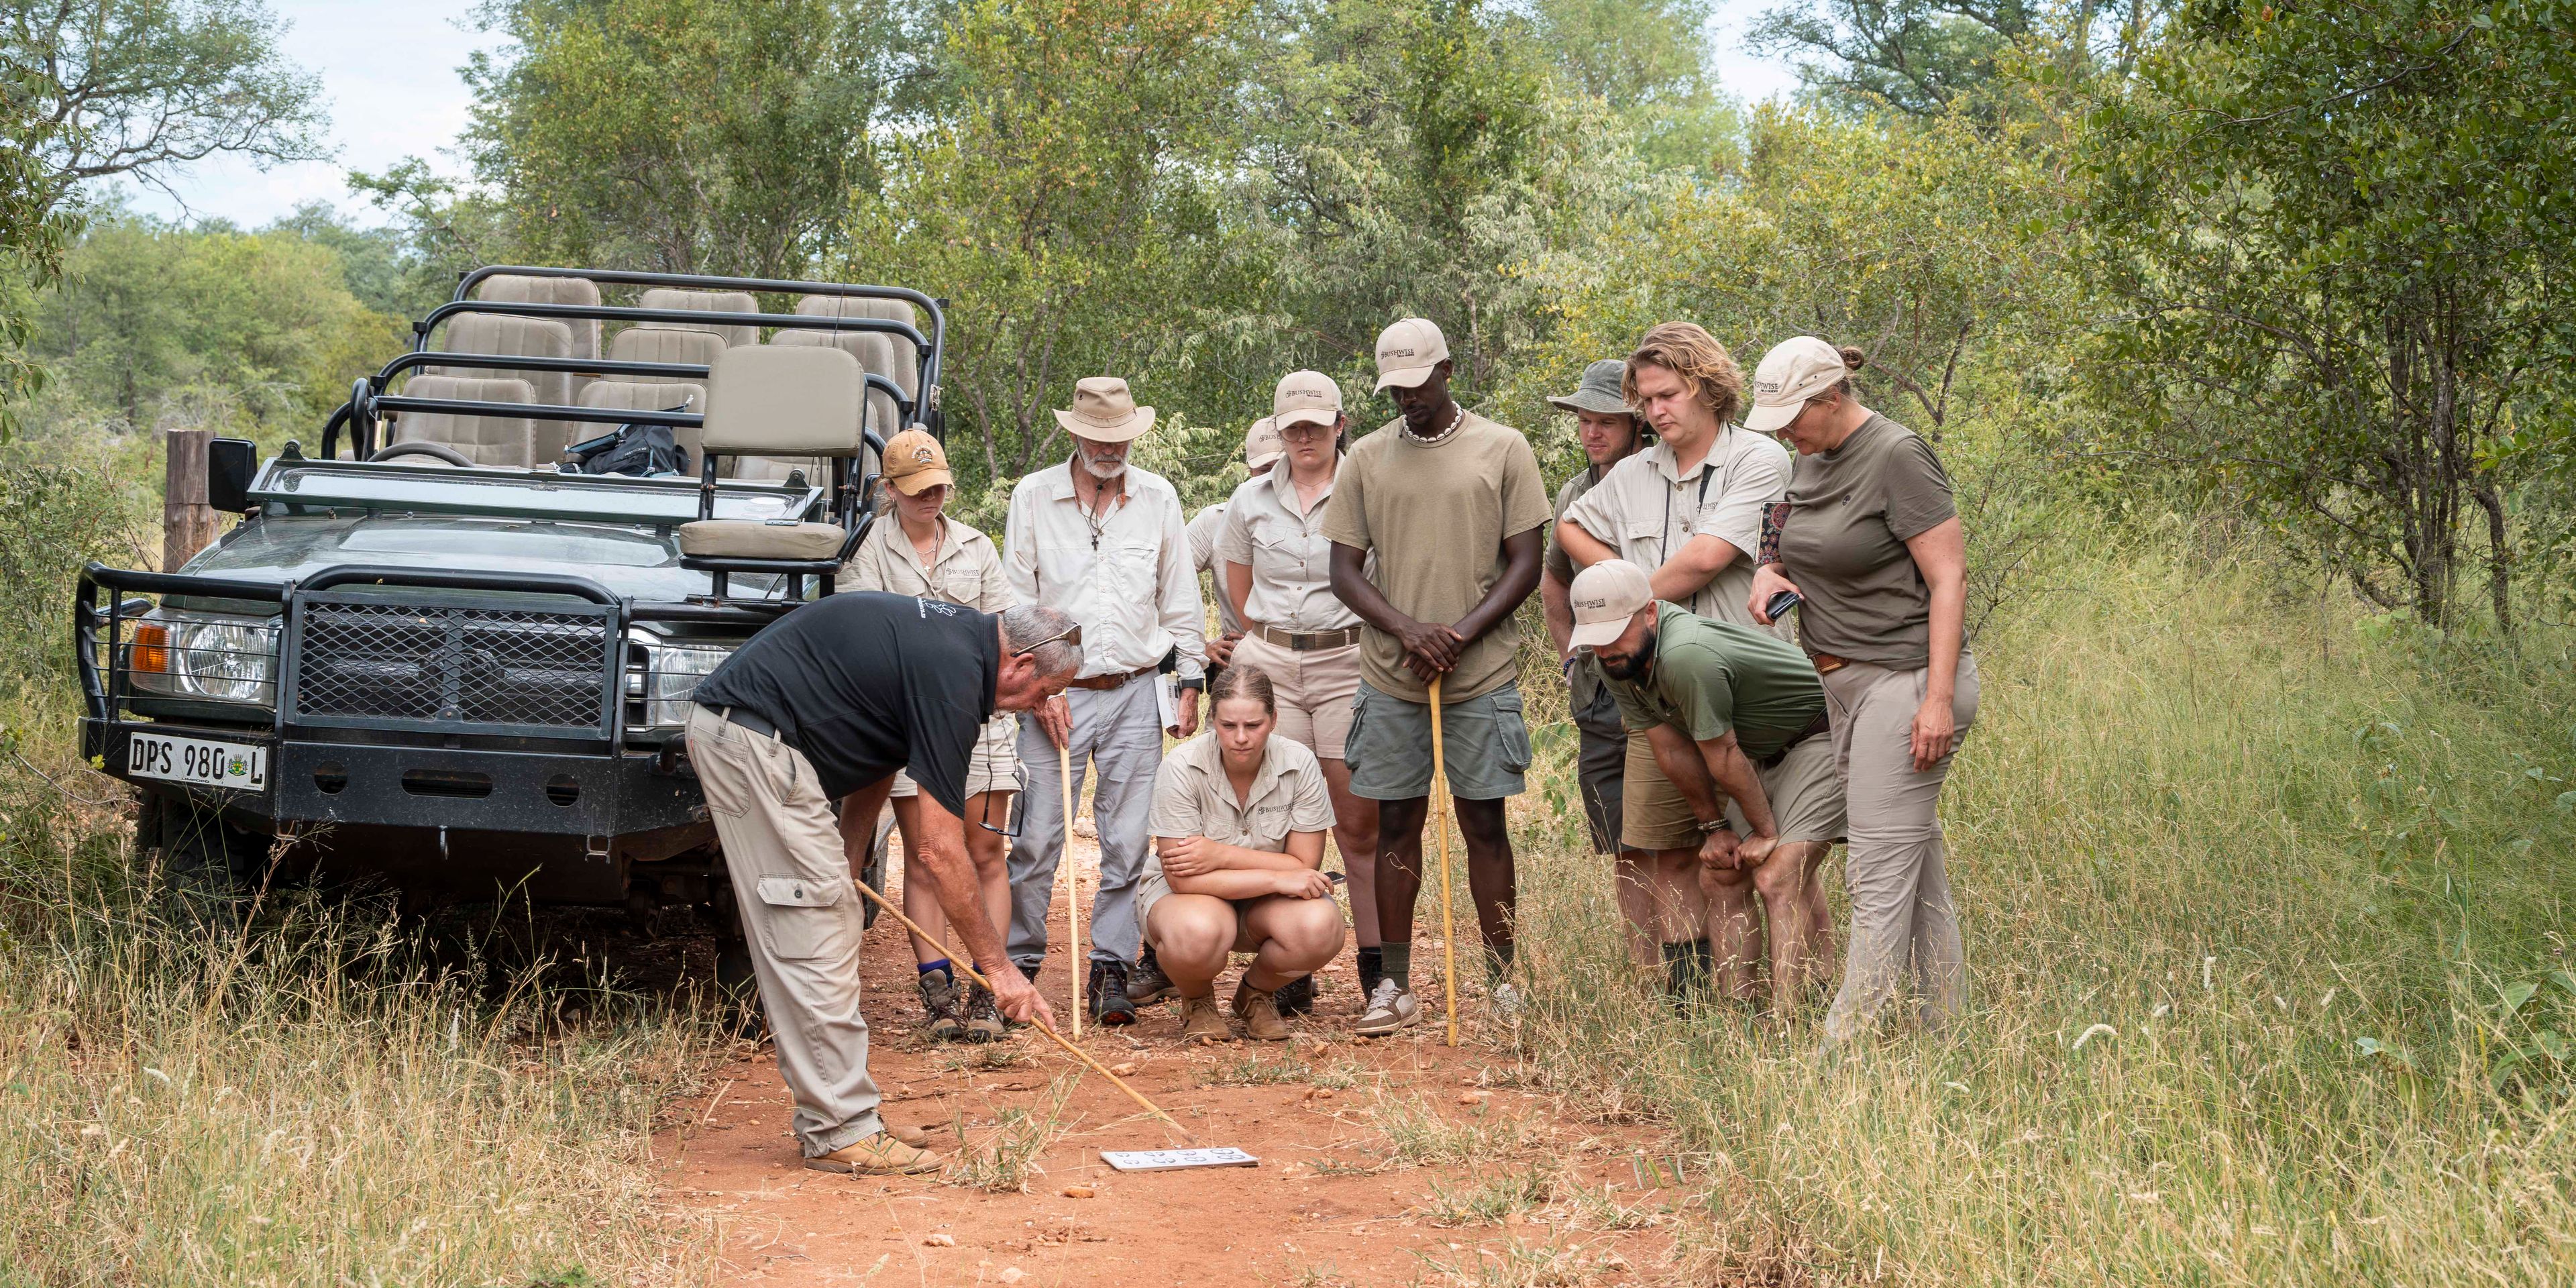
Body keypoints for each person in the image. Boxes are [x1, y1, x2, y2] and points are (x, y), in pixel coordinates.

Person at [686, 594, 1077, 1175]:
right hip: (753, 743)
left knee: (832, 912)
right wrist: (998, 968)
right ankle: (839, 1129)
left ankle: (845, 1114)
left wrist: (847, 857)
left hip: (762, 741)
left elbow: (879, 748)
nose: (1036, 707)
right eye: (1043, 693)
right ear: (1019, 664)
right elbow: (941, 850)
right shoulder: (953, 674)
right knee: (813, 929)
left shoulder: (957, 649)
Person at [1742, 337, 1977, 1055]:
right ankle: (1949, 1035)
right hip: (1842, 685)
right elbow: (1785, 526)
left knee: (1876, 879)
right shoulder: (1811, 456)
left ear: (1832, 397)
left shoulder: (1898, 456)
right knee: (1916, 871)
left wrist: (1936, 700)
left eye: (1793, 415)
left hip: (1904, 683)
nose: (1785, 431)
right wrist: (1765, 572)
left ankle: (1838, 1054)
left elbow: (1949, 580)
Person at [1325, 317, 1549, 1035]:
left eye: (1419, 385)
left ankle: (1502, 981)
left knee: (1485, 822)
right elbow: (1342, 570)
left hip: (1480, 671)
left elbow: (1526, 561)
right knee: (1397, 822)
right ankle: (1392, 985)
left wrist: (1459, 633)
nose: (1407, 400)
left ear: (1448, 370)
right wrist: (1407, 630)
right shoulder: (1363, 457)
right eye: (1396, 389)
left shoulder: (1504, 448)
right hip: (1393, 672)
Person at [1554, 323, 1791, 1002]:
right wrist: (1615, 578)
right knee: (1668, 853)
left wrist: (1623, 596)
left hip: (1741, 684)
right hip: (1652, 690)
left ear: (1708, 386)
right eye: (1647, 399)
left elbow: (1707, 560)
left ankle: (1760, 1004)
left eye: (1669, 394)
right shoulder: (1632, 473)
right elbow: (1568, 526)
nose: (1657, 411)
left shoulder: (1758, 459)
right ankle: (1689, 1005)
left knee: (1759, 857)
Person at [1004, 376, 1206, 1026]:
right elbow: (1014, 604)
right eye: (1099, 436)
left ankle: (1109, 970)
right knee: (1037, 837)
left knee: (1126, 840)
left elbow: (1180, 599)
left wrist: (1191, 680)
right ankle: (1020, 966)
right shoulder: (1033, 496)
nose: (1110, 448)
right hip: (1055, 694)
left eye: (1121, 438)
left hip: (1136, 689)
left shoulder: (1159, 498)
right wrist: (1037, 688)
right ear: (1074, 433)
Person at [1568, 560, 1842, 1012]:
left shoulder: (1685, 655)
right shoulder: (1616, 662)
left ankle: (1790, 1020)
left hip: (1819, 734)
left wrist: (1765, 830)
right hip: (1760, 753)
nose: (1607, 648)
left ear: (1650, 614)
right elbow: (1671, 749)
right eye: (1596, 638)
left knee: (1777, 875)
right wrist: (1715, 827)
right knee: (1721, 872)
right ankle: (1741, 1016)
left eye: (1617, 632)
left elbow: (1724, 755)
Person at [833, 428, 1019, 1044]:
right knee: (927, 856)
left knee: (985, 854)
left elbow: (1001, 634)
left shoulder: (977, 546)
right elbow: (860, 639)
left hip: (979, 716)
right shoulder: (867, 551)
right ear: (889, 490)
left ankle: (987, 994)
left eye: (940, 486)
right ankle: (937, 990)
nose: (932, 498)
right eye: (917, 490)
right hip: (908, 720)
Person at [1218, 370, 1380, 1000]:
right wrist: (1269, 641)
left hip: (1347, 663)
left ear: (1340, 424)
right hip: (1273, 666)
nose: (1304, 436)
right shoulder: (1251, 498)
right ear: (1280, 432)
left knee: (1355, 821)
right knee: (1276, 819)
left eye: (1316, 424)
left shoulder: (1366, 487)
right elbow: (1238, 583)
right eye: (1293, 428)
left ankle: (1376, 969)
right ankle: (1290, 970)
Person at [1535, 359, 1660, 979]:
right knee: (1622, 840)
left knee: (1681, 832)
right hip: (1600, 690)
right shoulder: (1573, 494)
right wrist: (1570, 660)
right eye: (1584, 421)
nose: (1591, 433)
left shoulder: (1661, 479)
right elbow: (1554, 583)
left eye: (1605, 421)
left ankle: (1698, 968)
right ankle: (1644, 970)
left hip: (1665, 676)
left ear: (1636, 422)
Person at [1141, 665, 1346, 1043]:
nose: (1240, 739)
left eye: (1253, 726)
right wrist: (1277, 875)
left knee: (1322, 926)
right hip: (1190, 898)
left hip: (1267, 903)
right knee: (1195, 932)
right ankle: (1197, 998)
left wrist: (1218, 854)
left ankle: (1256, 994)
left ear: (1273, 720)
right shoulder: (1181, 767)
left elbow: (1306, 865)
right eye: (1228, 726)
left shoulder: (1300, 763)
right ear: (1212, 719)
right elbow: (1182, 878)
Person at [1190, 417, 1285, 681]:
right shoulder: (1215, 521)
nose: (1274, 479)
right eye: (1265, 469)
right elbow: (1164, 583)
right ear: (1249, 472)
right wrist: (1199, 648)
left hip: (1304, 661)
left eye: (1282, 467)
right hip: (1237, 665)